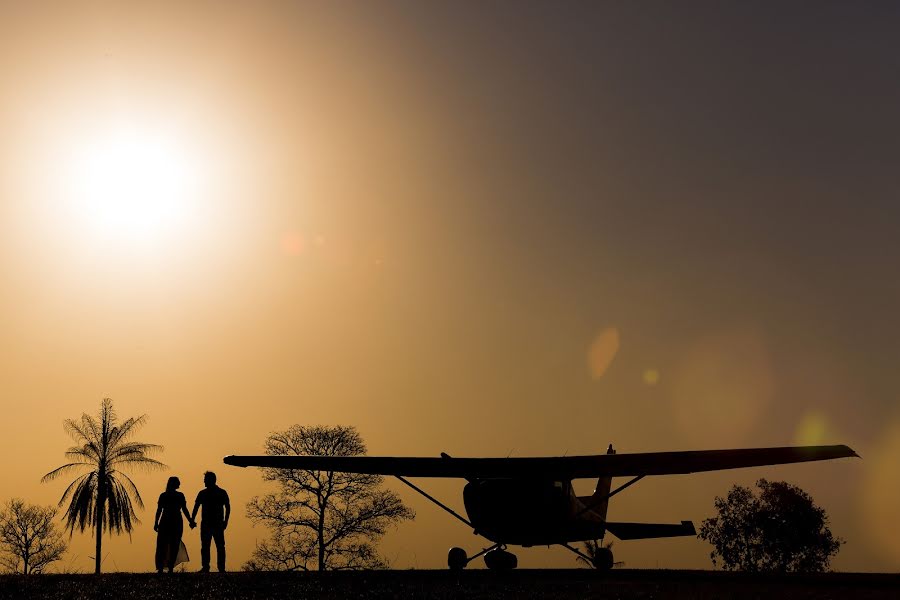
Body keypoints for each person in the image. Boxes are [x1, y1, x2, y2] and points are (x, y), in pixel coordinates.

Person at [153, 476, 195, 573]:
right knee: (171, 544)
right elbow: (184, 509)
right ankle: (168, 566)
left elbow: (159, 510)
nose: (179, 484)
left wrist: (156, 522)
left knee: (165, 544)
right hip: (174, 521)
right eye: (178, 482)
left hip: (167, 521)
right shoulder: (178, 496)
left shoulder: (164, 495)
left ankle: (163, 566)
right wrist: (190, 521)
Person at [190, 471, 230, 572]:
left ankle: (217, 567)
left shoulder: (211, 493)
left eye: (205, 480)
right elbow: (196, 507)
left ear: (210, 480)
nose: (204, 482)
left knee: (215, 546)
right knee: (209, 546)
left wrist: (226, 521)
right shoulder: (218, 492)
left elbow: (228, 507)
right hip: (212, 523)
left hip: (213, 523)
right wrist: (192, 519)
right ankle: (210, 567)